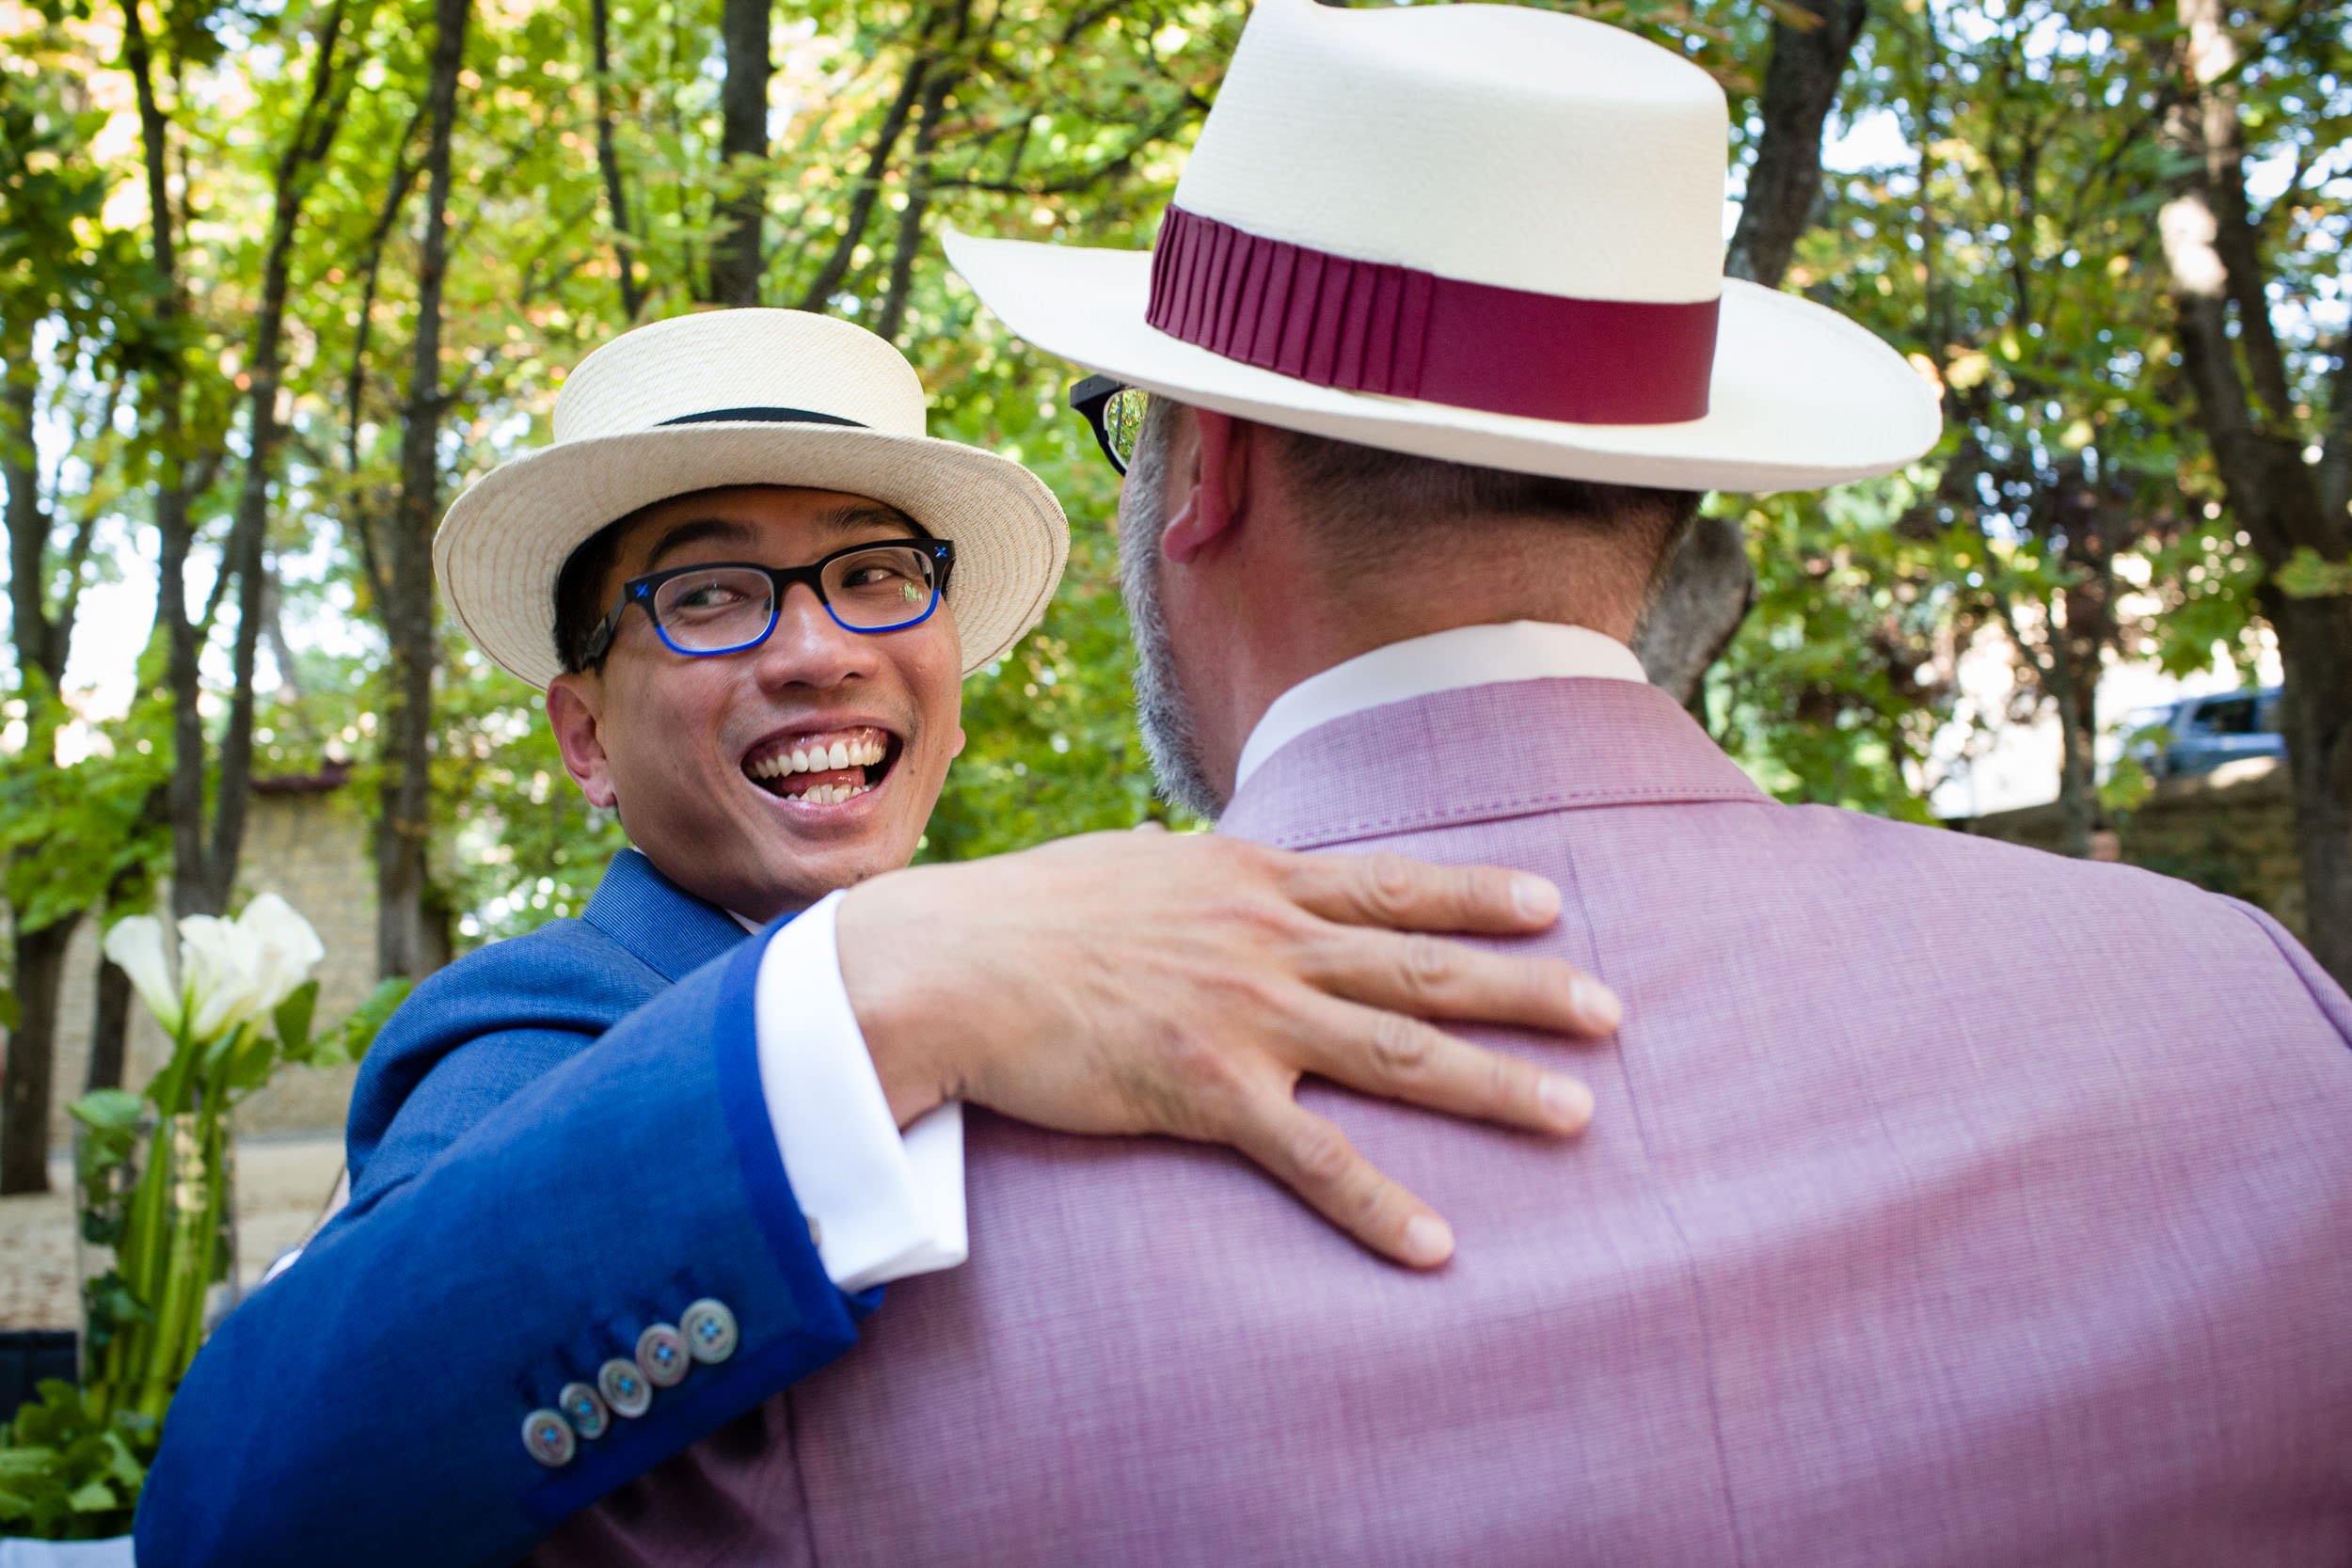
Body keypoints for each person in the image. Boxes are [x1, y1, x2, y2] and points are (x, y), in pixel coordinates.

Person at [531, 3, 2352, 1563]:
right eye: (707, 595)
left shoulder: (848, 1228)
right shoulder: (2252, 1019)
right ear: (1655, 491)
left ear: (1203, 473)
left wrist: (852, 1008)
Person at [134, 309, 1636, 1565]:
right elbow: (240, 1509)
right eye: (712, 594)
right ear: (585, 737)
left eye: (873, 576)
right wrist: (873, 995)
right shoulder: (534, 1023)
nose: (817, 649)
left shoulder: (1098, 968)